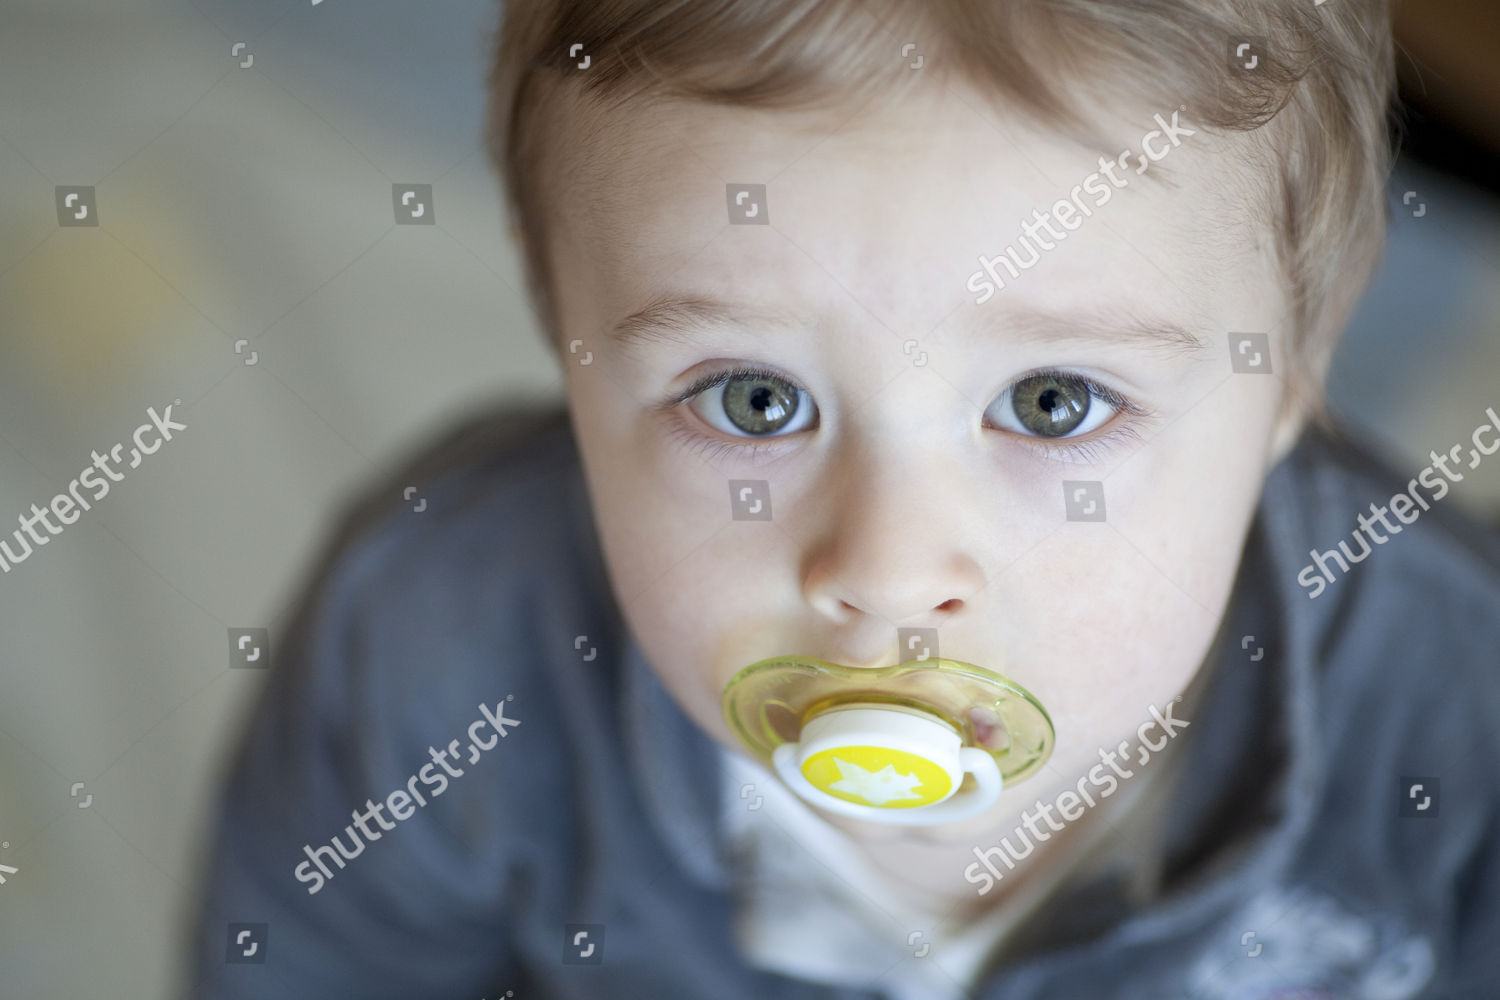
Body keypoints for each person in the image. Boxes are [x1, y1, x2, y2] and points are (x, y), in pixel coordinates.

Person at [188, 1, 1500, 997]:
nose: (883, 566)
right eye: (754, 401)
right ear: (559, 318)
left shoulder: (1458, 709)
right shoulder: (442, 648)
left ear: (1294, 373)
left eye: (1054, 404)